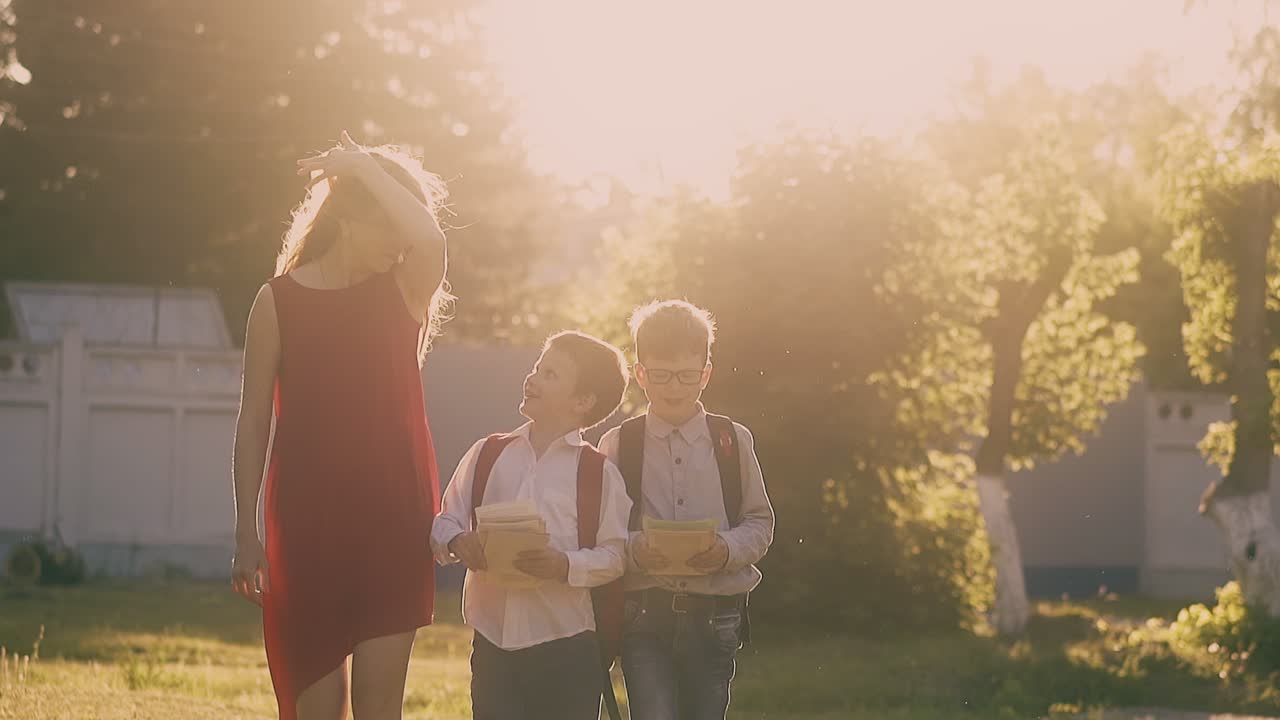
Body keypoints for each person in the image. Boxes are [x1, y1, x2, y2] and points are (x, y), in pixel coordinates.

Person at [230, 132, 451, 720]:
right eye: (389, 231)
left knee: (381, 709)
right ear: (350, 217)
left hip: (393, 519)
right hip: (305, 524)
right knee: (314, 709)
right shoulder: (276, 302)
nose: (402, 246)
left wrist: (363, 167)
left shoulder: (404, 289)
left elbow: (429, 234)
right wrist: (246, 531)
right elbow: (253, 422)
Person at [431, 331, 631, 720]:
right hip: (492, 645)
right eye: (537, 367)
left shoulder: (597, 474)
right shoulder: (487, 454)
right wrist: (457, 540)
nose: (533, 377)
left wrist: (564, 565)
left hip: (567, 649)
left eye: (550, 374)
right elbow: (445, 520)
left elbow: (614, 556)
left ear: (582, 402)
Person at [597, 300, 774, 720]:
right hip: (642, 615)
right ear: (640, 374)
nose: (674, 388)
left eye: (686, 376)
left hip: (716, 617)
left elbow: (760, 522)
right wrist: (635, 548)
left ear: (706, 373)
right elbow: (599, 533)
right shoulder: (619, 444)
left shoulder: (732, 440)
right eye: (660, 376)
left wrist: (727, 550)